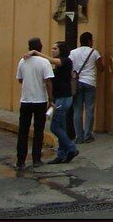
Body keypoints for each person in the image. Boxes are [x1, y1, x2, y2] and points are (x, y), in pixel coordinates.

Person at [25, 41, 79, 163]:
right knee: (61, 127)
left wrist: (35, 52)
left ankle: (71, 148)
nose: (53, 50)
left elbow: (52, 61)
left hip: (63, 98)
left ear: (61, 50)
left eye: (55, 48)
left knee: (55, 127)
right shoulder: (61, 64)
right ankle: (62, 154)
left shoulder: (66, 61)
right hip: (61, 97)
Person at [15, 37, 53, 170]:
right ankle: (36, 158)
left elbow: (20, 79)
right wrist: (51, 99)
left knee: (23, 131)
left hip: (25, 100)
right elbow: (48, 82)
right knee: (38, 130)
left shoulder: (22, 61)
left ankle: (20, 160)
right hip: (40, 100)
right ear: (40, 47)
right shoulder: (44, 62)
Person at [69, 32, 104, 143]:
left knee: (77, 110)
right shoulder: (94, 53)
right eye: (92, 40)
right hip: (89, 82)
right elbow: (101, 67)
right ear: (89, 41)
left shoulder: (72, 52)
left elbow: (70, 67)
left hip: (77, 83)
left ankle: (79, 136)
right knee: (89, 109)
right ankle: (87, 135)